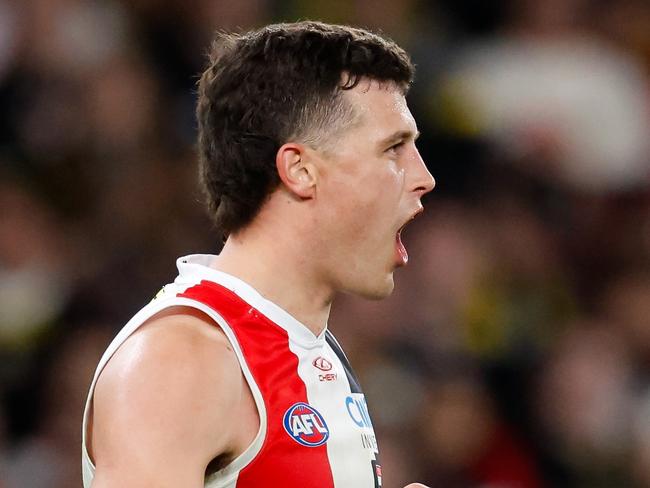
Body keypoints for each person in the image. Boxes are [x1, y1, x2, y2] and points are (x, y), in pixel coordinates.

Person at [81, 21, 435, 488]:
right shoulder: (181, 359)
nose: (424, 177)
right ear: (300, 170)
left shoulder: (309, 345)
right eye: (393, 149)